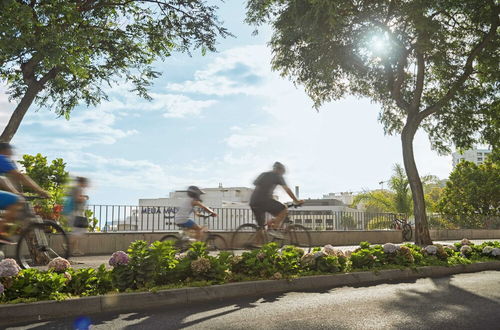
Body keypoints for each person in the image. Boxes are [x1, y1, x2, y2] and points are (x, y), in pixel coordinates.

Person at [0, 143, 50, 243]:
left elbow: (3, 180)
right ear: (5, 151)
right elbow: (21, 176)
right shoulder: (2, 158)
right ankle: (1, 232)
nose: (11, 155)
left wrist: (15, 192)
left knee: (15, 201)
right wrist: (40, 190)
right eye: (10, 152)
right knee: (19, 201)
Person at [250, 162, 304, 239]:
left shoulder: (264, 174)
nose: (282, 174)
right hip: (264, 200)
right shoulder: (277, 176)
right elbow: (287, 189)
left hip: (254, 201)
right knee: (283, 209)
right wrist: (296, 201)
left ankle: (253, 244)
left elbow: (259, 186)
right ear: (279, 170)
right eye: (282, 172)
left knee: (261, 227)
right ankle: (273, 229)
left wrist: (271, 197)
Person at [63, 177, 89, 256]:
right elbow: (78, 199)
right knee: (78, 232)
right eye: (85, 183)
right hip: (75, 213)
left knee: (77, 231)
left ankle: (75, 249)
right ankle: (67, 245)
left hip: (73, 213)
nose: (86, 184)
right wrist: (85, 198)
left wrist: (83, 196)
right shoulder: (78, 189)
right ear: (82, 183)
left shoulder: (75, 188)